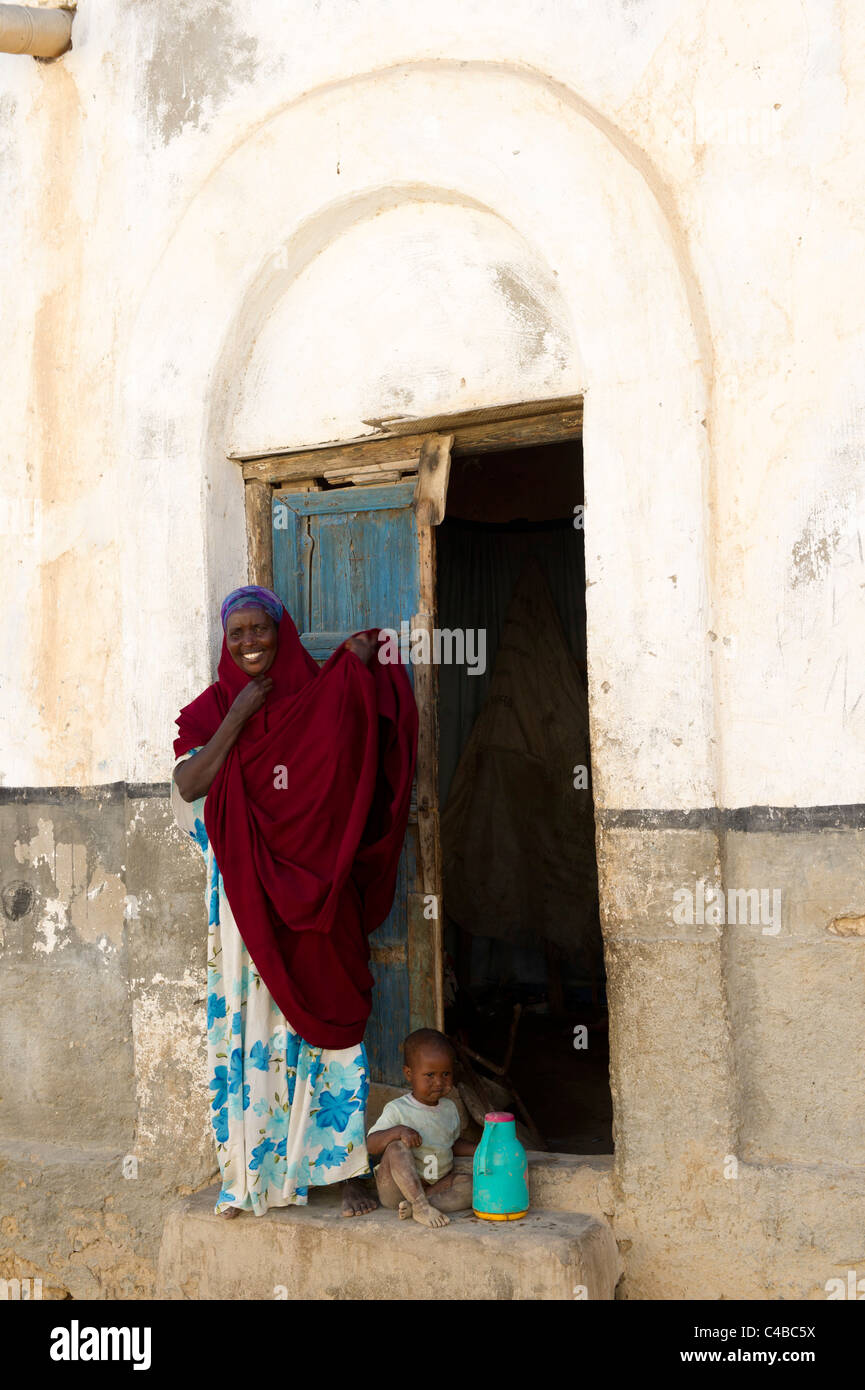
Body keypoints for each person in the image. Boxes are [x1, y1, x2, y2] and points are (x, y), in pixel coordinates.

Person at [171, 585, 417, 1219]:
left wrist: (359, 668)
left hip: (317, 897)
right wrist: (239, 717)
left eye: (261, 630)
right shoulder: (213, 710)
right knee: (256, 1032)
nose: (250, 642)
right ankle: (260, 1169)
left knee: (329, 1020)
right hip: (243, 905)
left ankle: (339, 1169)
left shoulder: (313, 694)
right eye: (238, 634)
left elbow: (347, 768)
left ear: (280, 633)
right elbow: (188, 783)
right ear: (225, 643)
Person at [366, 1028, 477, 1227]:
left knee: (472, 1186)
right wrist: (398, 1132)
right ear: (409, 1074)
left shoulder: (450, 1109)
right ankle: (419, 1205)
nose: (439, 1082)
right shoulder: (398, 1109)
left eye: (446, 1074)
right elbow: (370, 1145)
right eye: (430, 1075)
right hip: (396, 1189)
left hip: (434, 1186)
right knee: (396, 1148)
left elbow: (450, 1143)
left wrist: (480, 1149)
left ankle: (420, 1205)